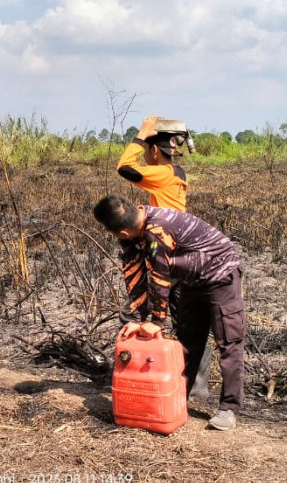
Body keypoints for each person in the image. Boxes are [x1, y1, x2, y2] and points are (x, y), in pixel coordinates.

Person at [93, 195, 246, 430]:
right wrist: (135, 319)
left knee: (229, 343)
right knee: (186, 342)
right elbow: (134, 274)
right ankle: (176, 397)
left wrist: (156, 320)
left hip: (219, 277)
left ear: (122, 232)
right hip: (191, 281)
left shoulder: (157, 230)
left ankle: (228, 408)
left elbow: (159, 277)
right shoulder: (132, 234)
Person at [116, 115, 212, 400]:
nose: (146, 153)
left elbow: (124, 168)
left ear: (154, 150)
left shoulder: (162, 174)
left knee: (135, 311)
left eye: (147, 148)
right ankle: (193, 386)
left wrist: (139, 136)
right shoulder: (178, 173)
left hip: (164, 251)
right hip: (182, 251)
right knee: (187, 321)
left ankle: (139, 373)